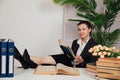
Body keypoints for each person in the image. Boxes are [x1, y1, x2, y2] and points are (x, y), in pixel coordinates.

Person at [14, 20, 98, 69]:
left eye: (84, 29)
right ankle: (23, 59)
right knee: (42, 59)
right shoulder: (75, 42)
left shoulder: (95, 45)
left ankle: (23, 60)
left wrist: (82, 61)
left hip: (77, 66)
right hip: (68, 60)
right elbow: (71, 54)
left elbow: (93, 63)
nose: (81, 32)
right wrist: (67, 51)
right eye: (79, 30)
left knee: (43, 61)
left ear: (89, 30)